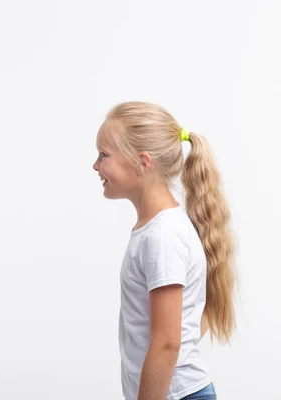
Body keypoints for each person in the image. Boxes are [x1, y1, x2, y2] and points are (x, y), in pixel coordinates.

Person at [92, 102, 235, 400]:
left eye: (104, 155)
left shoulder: (162, 237)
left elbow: (168, 342)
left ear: (143, 162)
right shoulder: (158, 230)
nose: (95, 165)